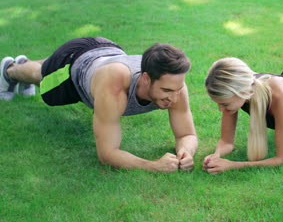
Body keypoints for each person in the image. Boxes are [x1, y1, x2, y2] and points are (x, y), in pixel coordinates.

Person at [0, 37, 198, 173]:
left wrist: (186, 152)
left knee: (44, 71)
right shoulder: (114, 86)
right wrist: (152, 165)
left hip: (108, 51)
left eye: (177, 89)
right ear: (146, 79)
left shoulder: (174, 83)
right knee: (43, 77)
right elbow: (107, 153)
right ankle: (10, 70)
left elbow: (186, 135)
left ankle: (26, 64)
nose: (174, 98)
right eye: (166, 91)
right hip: (74, 61)